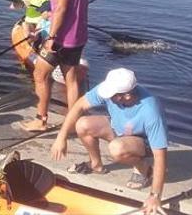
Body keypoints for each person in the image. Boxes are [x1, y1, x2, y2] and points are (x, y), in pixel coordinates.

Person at [51, 68, 168, 215]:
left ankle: (144, 169)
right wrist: (61, 137)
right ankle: (95, 165)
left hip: (143, 144)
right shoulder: (110, 89)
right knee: (82, 124)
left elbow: (160, 156)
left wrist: (155, 195)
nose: (105, 95)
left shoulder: (150, 110)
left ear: (125, 96)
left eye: (111, 95)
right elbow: (79, 105)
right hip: (119, 129)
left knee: (116, 149)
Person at [22, 0, 89, 132]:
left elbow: (60, 9)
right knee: (72, 79)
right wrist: (51, 15)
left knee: (40, 74)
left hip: (61, 39)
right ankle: (73, 122)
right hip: (79, 37)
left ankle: (40, 119)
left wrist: (50, 37)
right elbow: (72, 8)